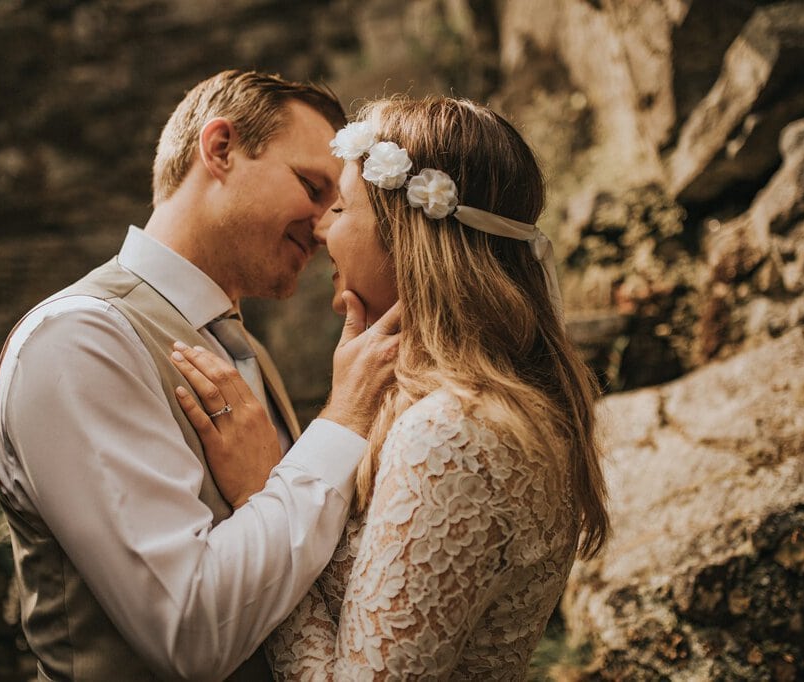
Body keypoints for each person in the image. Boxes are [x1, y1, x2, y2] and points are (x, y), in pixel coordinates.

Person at [171, 96, 610, 679]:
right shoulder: (438, 407)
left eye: (343, 208)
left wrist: (261, 495)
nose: (322, 230)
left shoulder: (454, 433)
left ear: (403, 234)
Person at [0, 70, 400, 682]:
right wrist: (341, 423)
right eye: (312, 187)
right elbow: (190, 632)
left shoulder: (245, 352)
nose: (323, 225)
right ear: (221, 149)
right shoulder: (78, 341)